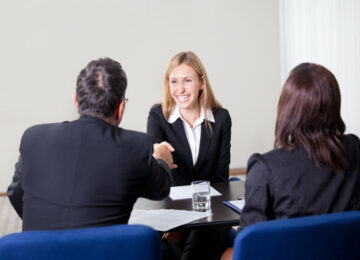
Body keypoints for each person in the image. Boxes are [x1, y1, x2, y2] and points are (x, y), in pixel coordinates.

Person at [7, 57, 175, 231]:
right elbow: (160, 190)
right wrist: (161, 158)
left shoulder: (33, 137)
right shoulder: (135, 146)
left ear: (75, 101)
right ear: (120, 108)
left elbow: (15, 193)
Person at [221, 62, 360, 259]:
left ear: (288, 109)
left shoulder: (265, 168)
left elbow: (250, 245)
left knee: (227, 252)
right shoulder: (355, 149)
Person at [147, 51, 232, 260]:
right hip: (173, 213)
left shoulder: (221, 119)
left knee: (201, 234)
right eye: (173, 82)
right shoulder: (158, 116)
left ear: (201, 83)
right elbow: (156, 173)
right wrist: (158, 155)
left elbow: (221, 180)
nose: (180, 89)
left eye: (187, 81)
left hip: (211, 216)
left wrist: (189, 225)